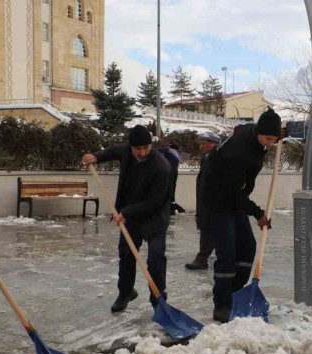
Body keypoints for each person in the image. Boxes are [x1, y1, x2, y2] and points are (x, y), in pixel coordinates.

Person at [199, 109, 282, 323]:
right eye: (268, 139)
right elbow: (233, 194)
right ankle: (222, 304)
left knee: (247, 248)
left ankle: (236, 294)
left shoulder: (254, 133)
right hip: (218, 200)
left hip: (235, 197)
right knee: (227, 254)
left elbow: (265, 132)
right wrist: (257, 213)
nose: (271, 144)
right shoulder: (238, 153)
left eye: (275, 139)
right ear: (258, 133)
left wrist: (280, 133)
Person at [83, 125, 173, 313]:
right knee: (126, 254)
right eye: (138, 148)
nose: (142, 152)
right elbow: (113, 150)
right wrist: (97, 157)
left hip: (154, 217)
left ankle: (158, 300)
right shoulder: (125, 151)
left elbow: (155, 201)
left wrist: (126, 212)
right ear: (131, 147)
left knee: (156, 257)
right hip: (131, 217)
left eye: (146, 148)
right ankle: (125, 292)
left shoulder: (162, 166)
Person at [185, 132, 220, 270]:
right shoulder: (207, 157)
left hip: (211, 201)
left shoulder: (217, 157)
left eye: (204, 143)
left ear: (213, 143)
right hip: (205, 200)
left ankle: (201, 259)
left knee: (208, 230)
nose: (202, 145)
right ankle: (205, 257)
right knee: (208, 229)